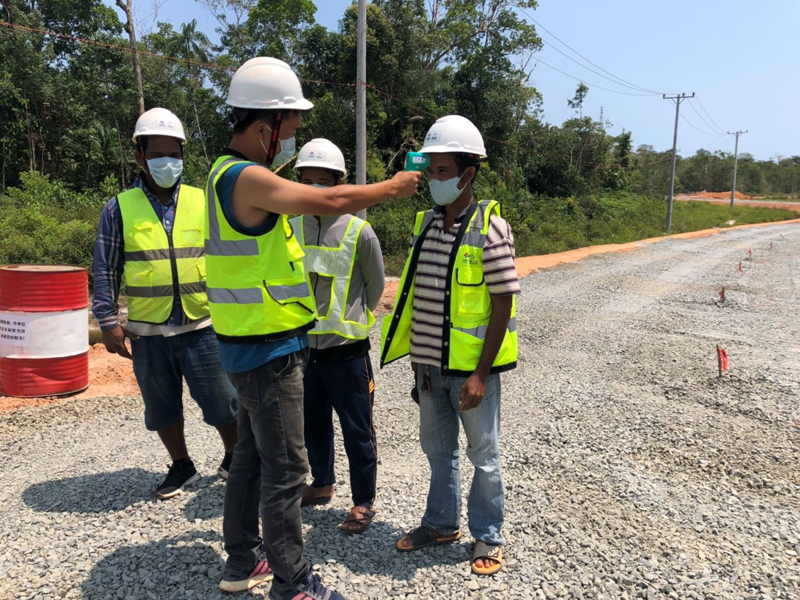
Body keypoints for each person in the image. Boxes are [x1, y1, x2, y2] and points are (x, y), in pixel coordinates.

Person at [207, 58, 421, 598]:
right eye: (291, 129)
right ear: (266, 127)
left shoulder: (220, 173)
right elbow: (332, 200)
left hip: (246, 345)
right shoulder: (247, 177)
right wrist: (392, 187)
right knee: (286, 471)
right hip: (268, 350)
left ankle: (242, 560)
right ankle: (293, 582)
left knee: (250, 459)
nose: (291, 144)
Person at [380, 115, 519, 576]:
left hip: (471, 373)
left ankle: (488, 535)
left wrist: (480, 374)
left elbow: (502, 305)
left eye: (443, 171)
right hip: (429, 370)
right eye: (432, 170)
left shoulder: (491, 229)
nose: (434, 180)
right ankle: (441, 524)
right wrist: (417, 361)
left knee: (484, 456)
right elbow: (418, 297)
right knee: (438, 452)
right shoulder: (423, 225)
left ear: (468, 174)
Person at [92, 107, 239, 500]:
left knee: (223, 400)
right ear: (140, 156)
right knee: (160, 406)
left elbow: (229, 256)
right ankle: (181, 465)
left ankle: (235, 457)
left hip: (203, 323)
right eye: (157, 154)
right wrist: (107, 322)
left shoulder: (203, 200)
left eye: (174, 154)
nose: (167, 162)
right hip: (148, 330)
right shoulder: (118, 208)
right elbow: (105, 268)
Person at [288, 139, 384, 535]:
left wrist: (352, 319)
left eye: (323, 182)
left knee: (357, 431)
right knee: (312, 426)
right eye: (306, 181)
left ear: (339, 184)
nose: (314, 190)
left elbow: (375, 288)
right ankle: (322, 483)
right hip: (304, 351)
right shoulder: (290, 227)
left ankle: (363, 501)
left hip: (347, 354)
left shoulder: (360, 232)